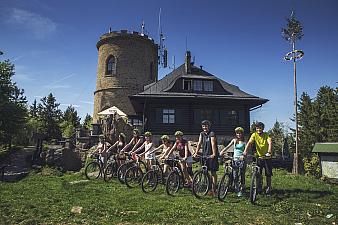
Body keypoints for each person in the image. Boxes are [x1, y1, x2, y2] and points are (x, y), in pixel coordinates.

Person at [243, 122, 273, 194]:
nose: (258, 129)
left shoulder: (266, 134)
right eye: (257, 128)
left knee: (268, 173)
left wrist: (269, 151)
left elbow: (270, 142)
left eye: (260, 128)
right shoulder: (254, 135)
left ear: (263, 128)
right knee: (258, 173)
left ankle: (268, 187)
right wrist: (245, 151)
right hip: (259, 157)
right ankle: (259, 187)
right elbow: (249, 143)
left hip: (267, 157)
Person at [194, 120, 219, 196]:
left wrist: (214, 154)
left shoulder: (212, 133)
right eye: (203, 126)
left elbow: (213, 143)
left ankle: (214, 189)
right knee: (205, 171)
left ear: (209, 126)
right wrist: (196, 152)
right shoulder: (202, 134)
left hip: (212, 155)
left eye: (206, 125)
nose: (205, 127)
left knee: (213, 172)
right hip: (205, 155)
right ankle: (209, 187)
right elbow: (199, 143)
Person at [220, 127, 246, 197]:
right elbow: (228, 146)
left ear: (242, 134)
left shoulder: (244, 142)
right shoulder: (234, 140)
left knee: (241, 175)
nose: (238, 134)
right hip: (234, 159)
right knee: (235, 175)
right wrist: (223, 151)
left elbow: (245, 151)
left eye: (240, 133)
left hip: (241, 160)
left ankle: (242, 189)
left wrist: (243, 156)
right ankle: (237, 189)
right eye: (237, 133)